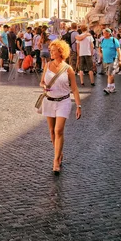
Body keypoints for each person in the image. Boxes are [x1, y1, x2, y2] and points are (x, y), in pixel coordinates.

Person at [40, 39, 81, 174]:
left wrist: (79, 106)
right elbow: (41, 82)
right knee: (51, 131)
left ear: (61, 51)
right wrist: (44, 86)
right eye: (50, 50)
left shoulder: (68, 69)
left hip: (63, 101)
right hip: (49, 101)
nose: (50, 52)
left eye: (53, 50)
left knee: (58, 130)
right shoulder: (47, 65)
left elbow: (74, 89)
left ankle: (56, 160)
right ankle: (59, 152)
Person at [99, 28, 121, 95]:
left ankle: (108, 87)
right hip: (105, 60)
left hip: (113, 59)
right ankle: (113, 87)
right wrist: (100, 54)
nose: (104, 34)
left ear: (109, 33)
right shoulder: (103, 40)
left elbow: (118, 50)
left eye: (105, 33)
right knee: (111, 74)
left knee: (109, 74)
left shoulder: (114, 40)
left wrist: (120, 60)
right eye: (103, 33)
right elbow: (100, 48)